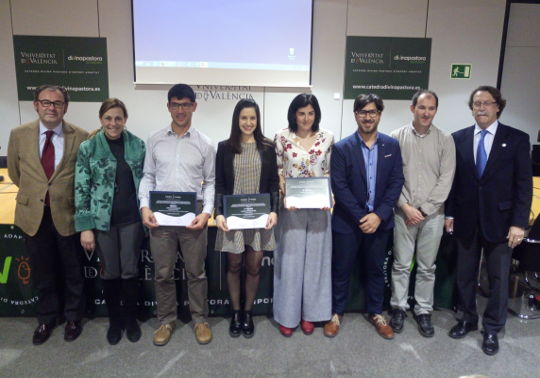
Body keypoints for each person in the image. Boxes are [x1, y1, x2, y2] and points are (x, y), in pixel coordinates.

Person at [446, 86, 532, 355]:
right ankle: (468, 319)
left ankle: (493, 328)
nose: (480, 107)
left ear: (498, 106)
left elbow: (523, 185)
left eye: (486, 103)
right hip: (466, 219)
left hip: (502, 222)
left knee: (497, 278)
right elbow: (453, 182)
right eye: (476, 103)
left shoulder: (516, 139)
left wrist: (519, 223)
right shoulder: (457, 138)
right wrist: (449, 213)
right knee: (465, 276)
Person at [7, 84, 88, 345]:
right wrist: (38, 194)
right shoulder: (19, 134)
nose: (51, 107)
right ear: (36, 105)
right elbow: (15, 173)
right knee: (42, 270)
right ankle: (46, 318)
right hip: (34, 215)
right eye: (46, 102)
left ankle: (73, 317)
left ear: (66, 107)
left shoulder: (81, 136)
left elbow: (83, 177)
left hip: (67, 214)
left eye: (57, 103)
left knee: (72, 270)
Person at [139, 84, 216, 346]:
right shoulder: (155, 140)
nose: (180, 110)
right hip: (160, 218)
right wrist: (144, 207)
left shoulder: (205, 143)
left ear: (194, 106)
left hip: (192, 217)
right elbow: (148, 176)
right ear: (168, 106)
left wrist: (206, 214)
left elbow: (211, 182)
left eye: (185, 104)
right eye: (175, 104)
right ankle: (166, 320)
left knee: (196, 272)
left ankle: (199, 319)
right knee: (162, 273)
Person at [326, 93, 404, 339]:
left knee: (375, 271)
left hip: (380, 223)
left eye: (372, 112)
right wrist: (363, 217)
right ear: (355, 115)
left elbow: (396, 182)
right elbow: (339, 186)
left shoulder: (391, 146)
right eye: (363, 112)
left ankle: (376, 312)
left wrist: (378, 216)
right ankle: (336, 313)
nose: (368, 117)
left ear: (379, 114)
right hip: (348, 222)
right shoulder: (341, 148)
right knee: (341, 270)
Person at [74, 98, 146, 345]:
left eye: (118, 118)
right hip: (102, 222)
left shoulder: (138, 145)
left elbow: (147, 182)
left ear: (125, 120)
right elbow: (81, 188)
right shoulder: (88, 148)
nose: (113, 123)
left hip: (132, 220)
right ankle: (115, 321)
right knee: (111, 272)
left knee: (129, 271)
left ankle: (130, 319)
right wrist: (85, 227)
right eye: (108, 118)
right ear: (101, 119)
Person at [389, 90, 455, 337]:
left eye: (431, 108)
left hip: (433, 215)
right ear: (412, 108)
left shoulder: (445, 140)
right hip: (403, 212)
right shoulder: (396, 138)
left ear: (435, 110)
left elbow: (446, 179)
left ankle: (424, 310)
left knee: (427, 267)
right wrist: (406, 206)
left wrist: (424, 210)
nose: (426, 113)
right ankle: (398, 307)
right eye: (422, 108)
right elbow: (392, 178)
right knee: (401, 264)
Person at [214, 99, 279, 338]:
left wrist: (274, 210)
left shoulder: (268, 147)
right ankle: (236, 312)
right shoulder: (224, 147)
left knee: (253, 267)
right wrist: (218, 212)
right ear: (236, 120)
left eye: (253, 118)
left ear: (257, 120)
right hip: (233, 219)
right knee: (233, 265)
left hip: (260, 219)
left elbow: (273, 183)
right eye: (244, 118)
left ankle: (248, 313)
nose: (248, 122)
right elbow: (219, 183)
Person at [273, 93, 334, 337]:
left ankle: (312, 315)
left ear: (316, 114)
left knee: (317, 263)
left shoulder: (327, 137)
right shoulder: (281, 137)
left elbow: (329, 171)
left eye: (310, 113)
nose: (306, 118)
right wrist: (285, 195)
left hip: (319, 209)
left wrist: (329, 198)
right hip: (292, 209)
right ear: (294, 114)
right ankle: (288, 316)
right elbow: (278, 171)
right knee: (290, 262)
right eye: (301, 113)